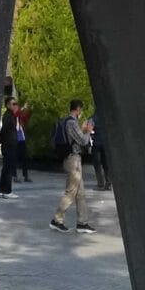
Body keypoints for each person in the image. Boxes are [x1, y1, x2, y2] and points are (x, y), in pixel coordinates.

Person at [50, 97, 96, 234]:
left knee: (80, 193)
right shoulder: (71, 123)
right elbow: (82, 140)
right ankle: (57, 220)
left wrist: (82, 129)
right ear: (78, 109)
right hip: (73, 160)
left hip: (71, 159)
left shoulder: (66, 121)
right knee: (71, 192)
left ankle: (82, 222)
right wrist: (88, 131)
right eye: (81, 110)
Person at [0, 91, 20, 198]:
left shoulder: (11, 116)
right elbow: (4, 130)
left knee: (6, 168)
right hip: (9, 146)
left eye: (16, 104)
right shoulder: (8, 116)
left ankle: (3, 190)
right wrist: (3, 141)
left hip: (9, 145)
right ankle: (7, 191)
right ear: (7, 105)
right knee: (8, 168)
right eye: (13, 104)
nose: (15, 106)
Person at [89, 111, 112, 192]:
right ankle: (108, 183)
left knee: (97, 164)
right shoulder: (108, 115)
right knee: (106, 164)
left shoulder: (93, 117)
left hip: (97, 143)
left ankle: (100, 183)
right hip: (107, 144)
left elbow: (90, 129)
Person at [14, 99, 32, 183]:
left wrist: (30, 110)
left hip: (21, 138)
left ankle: (26, 175)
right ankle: (15, 176)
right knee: (15, 158)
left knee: (24, 158)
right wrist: (22, 108)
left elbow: (25, 117)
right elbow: (16, 114)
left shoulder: (19, 116)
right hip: (14, 139)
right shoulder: (11, 115)